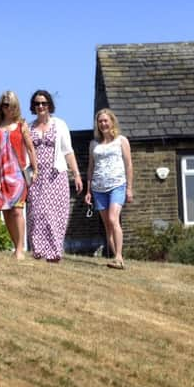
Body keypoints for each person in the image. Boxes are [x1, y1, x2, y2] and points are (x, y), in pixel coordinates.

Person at [26, 89, 83, 262]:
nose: (41, 106)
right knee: (36, 213)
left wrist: (77, 175)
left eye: (44, 103)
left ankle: (55, 252)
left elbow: (68, 151)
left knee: (55, 214)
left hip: (55, 174)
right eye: (37, 103)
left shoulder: (59, 125)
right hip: (36, 176)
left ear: (49, 105)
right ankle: (38, 251)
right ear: (33, 106)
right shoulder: (28, 127)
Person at [84, 108, 133, 269]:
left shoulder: (121, 141)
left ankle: (119, 257)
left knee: (113, 219)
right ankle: (115, 257)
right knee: (107, 225)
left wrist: (129, 188)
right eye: (100, 121)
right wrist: (88, 190)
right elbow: (91, 168)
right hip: (99, 187)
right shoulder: (94, 144)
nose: (103, 124)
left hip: (117, 185)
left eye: (106, 120)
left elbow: (128, 165)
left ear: (112, 121)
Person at [0, 91, 38, 260]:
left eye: (11, 105)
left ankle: (20, 248)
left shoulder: (21, 124)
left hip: (18, 173)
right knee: (5, 212)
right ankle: (15, 245)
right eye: (5, 105)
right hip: (2, 173)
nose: (8, 108)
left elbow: (30, 148)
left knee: (17, 211)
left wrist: (35, 169)